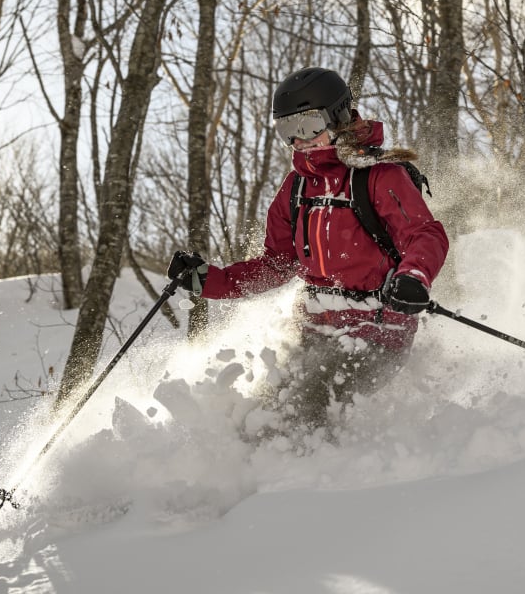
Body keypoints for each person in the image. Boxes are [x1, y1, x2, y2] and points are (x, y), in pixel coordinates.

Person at [168, 67, 449, 433]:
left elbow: (425, 235)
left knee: (310, 406)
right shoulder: (296, 189)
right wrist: (209, 281)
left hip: (378, 328)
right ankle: (247, 479)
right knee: (263, 411)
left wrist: (413, 277)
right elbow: (276, 265)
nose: (299, 141)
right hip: (315, 331)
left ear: (339, 117)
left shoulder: (380, 176)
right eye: (288, 131)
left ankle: (309, 483)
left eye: (308, 126)